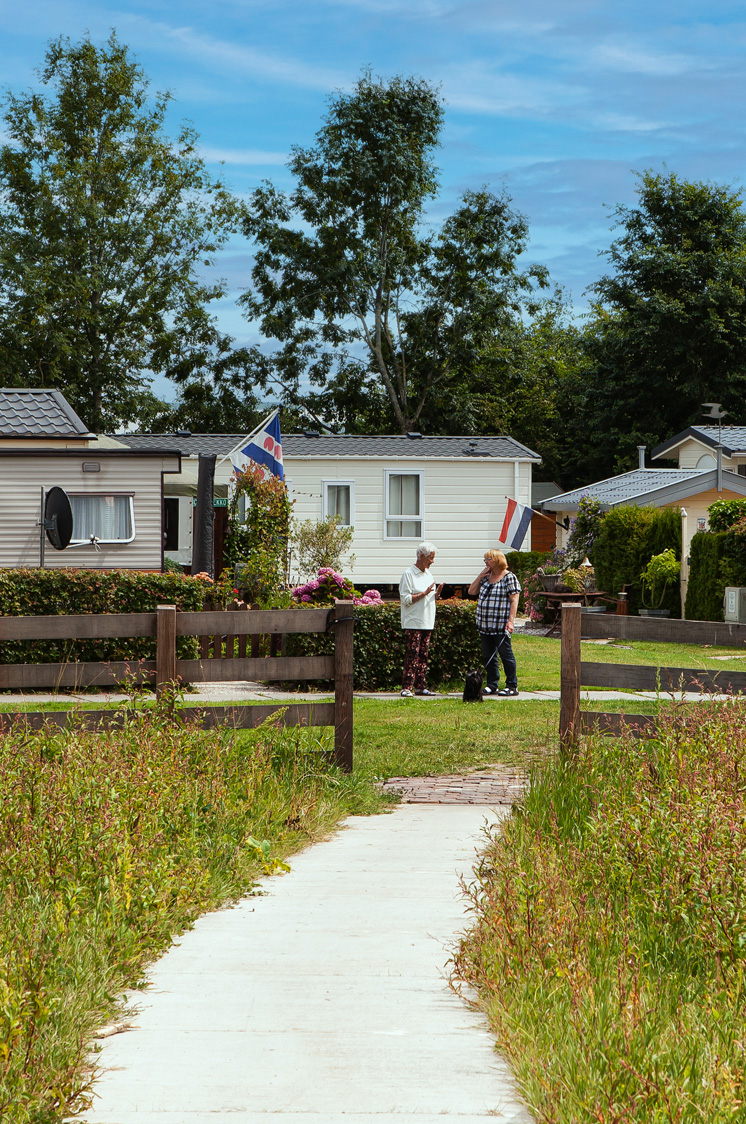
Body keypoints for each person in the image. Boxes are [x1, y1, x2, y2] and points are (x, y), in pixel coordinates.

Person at [468, 549, 521, 696]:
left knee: (505, 655)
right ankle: (492, 684)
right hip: (485, 624)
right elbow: (472, 592)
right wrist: (480, 576)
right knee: (489, 655)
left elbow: (514, 600)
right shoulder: (486, 577)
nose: (485, 562)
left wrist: (511, 621)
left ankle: (512, 685)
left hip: (500, 625)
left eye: (488, 559)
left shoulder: (509, 577)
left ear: (497, 560)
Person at [399, 542, 444, 697]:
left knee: (423, 655)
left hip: (427, 621)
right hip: (413, 622)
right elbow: (405, 599)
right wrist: (423, 594)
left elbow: (429, 597)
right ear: (421, 556)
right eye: (430, 558)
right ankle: (406, 688)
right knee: (412, 654)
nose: (432, 561)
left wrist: (436, 594)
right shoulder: (408, 574)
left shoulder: (428, 574)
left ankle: (420, 686)